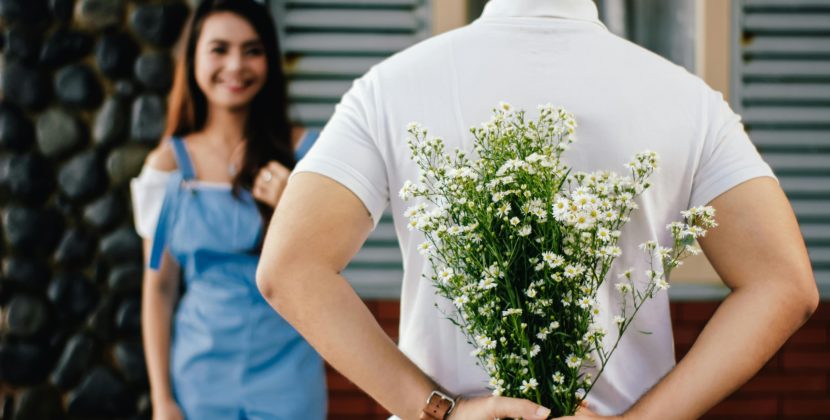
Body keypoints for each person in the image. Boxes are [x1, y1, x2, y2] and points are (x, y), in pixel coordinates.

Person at [255, 0, 819, 419]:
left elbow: (289, 268)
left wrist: (438, 411)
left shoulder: (391, 87)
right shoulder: (689, 100)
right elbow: (786, 284)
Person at [130, 1, 326, 419]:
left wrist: (292, 207)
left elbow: (332, 268)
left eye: (252, 50)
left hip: (289, 373)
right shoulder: (166, 165)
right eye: (219, 49)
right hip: (198, 377)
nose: (236, 65)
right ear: (194, 58)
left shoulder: (308, 154)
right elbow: (159, 289)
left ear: (269, 61)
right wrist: (162, 399)